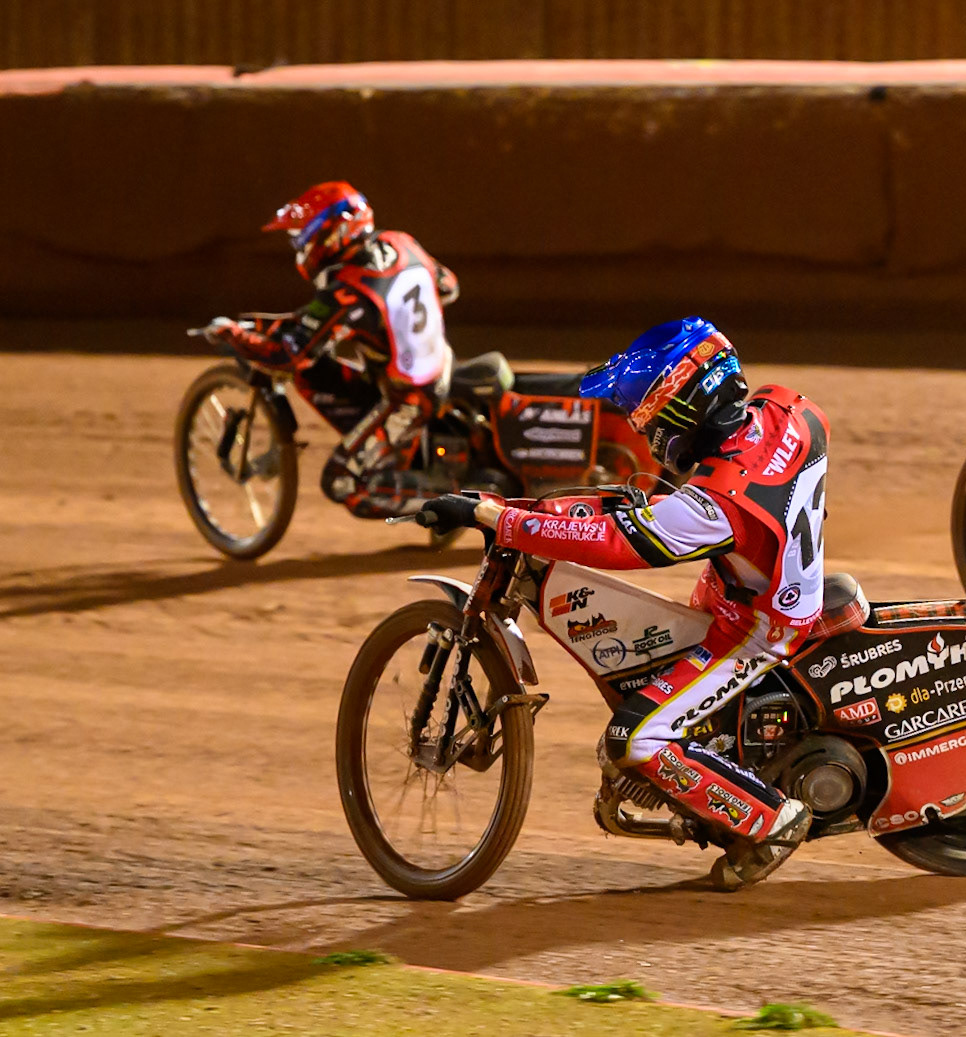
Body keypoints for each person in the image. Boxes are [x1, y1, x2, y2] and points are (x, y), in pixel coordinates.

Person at [422, 317, 826, 889]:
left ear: (687, 403)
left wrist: (496, 518)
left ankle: (769, 822)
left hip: (758, 627)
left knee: (634, 737)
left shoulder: (714, 507)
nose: (643, 427)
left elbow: (616, 542)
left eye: (647, 413)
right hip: (757, 582)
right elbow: (652, 508)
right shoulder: (786, 411)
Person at [199, 181, 460, 518]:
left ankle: (455, 507)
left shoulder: (349, 290)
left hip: (409, 399)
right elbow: (449, 286)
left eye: (303, 239)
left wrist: (235, 336)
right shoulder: (400, 242)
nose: (301, 248)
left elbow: (287, 355)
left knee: (341, 483)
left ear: (332, 235)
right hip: (441, 365)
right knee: (313, 372)